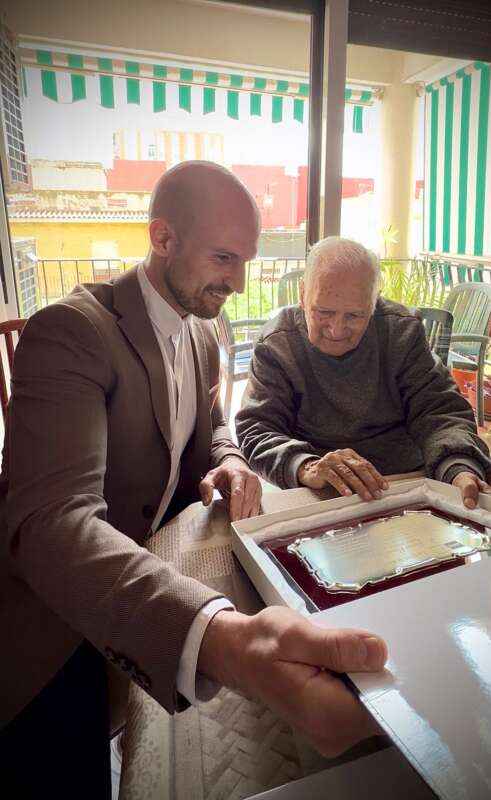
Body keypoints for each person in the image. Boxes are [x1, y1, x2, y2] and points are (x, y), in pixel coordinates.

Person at [0, 164, 387, 797]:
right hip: (50, 630)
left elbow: (212, 429)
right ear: (162, 238)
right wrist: (225, 643)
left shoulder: (205, 331)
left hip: (150, 579)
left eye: (246, 260)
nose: (238, 281)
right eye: (224, 258)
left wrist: (230, 459)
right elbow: (52, 527)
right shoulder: (72, 332)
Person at [236, 236, 491, 508]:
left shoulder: (402, 331)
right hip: (319, 491)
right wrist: (307, 466)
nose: (336, 330)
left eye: (355, 316)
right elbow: (257, 429)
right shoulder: (277, 343)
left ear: (374, 303)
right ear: (302, 295)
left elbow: (439, 410)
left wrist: (458, 466)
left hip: (404, 481)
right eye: (323, 312)